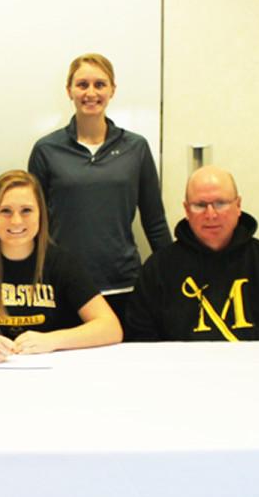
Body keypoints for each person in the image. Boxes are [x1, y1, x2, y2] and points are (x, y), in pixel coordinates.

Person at [28, 53, 170, 323]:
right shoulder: (46, 150)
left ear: (112, 90)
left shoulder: (136, 148)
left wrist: (173, 273)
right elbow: (33, 222)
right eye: (82, 85)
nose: (90, 93)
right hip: (61, 284)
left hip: (123, 283)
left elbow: (154, 221)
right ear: (69, 90)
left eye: (100, 84)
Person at [0, 169, 122, 363]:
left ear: (41, 214)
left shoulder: (61, 262)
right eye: (5, 211)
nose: (16, 221)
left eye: (26, 210)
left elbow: (110, 327)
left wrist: (53, 340)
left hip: (48, 369)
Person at [125, 166, 259, 341]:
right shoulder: (158, 268)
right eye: (199, 205)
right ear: (186, 210)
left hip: (256, 372)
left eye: (221, 203)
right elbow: (141, 342)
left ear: (238, 205)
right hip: (183, 373)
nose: (211, 214)